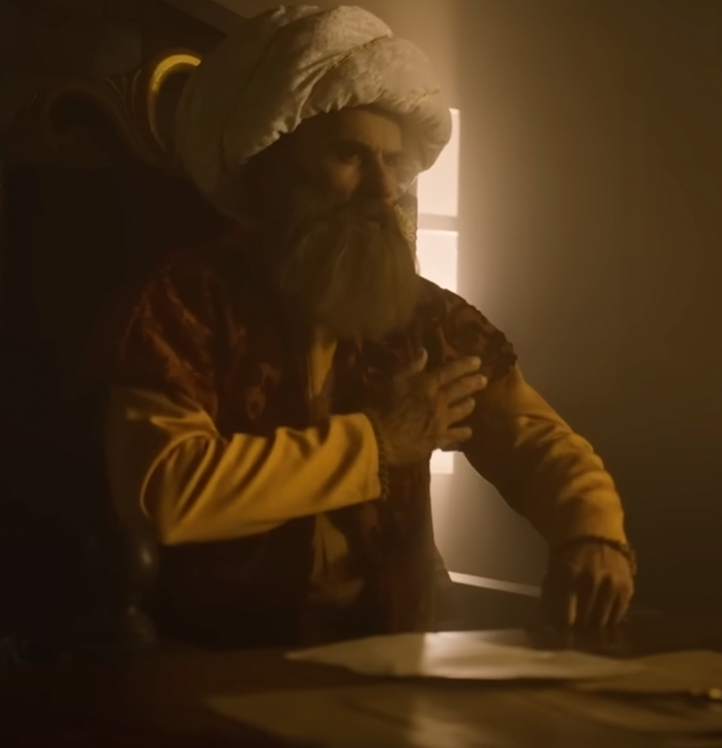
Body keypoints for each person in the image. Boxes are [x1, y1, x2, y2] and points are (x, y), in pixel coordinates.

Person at [85, 5, 633, 648]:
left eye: (393, 162)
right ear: (273, 167)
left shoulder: (425, 316)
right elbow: (167, 491)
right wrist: (376, 443)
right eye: (350, 155)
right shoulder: (183, 306)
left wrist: (592, 533)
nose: (384, 187)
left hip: (395, 664)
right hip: (219, 668)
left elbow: (531, 438)